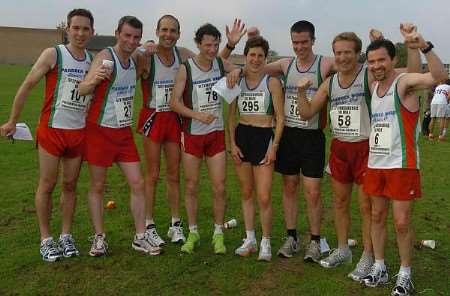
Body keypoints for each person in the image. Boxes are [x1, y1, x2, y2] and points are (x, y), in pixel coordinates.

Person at [296, 25, 420, 280]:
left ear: (358, 54)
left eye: (347, 53)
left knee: (367, 208)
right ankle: (343, 249)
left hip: (367, 148)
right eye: (337, 53)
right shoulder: (330, 83)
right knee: (340, 203)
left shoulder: (369, 75)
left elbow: (404, 76)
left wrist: (388, 42)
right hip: (341, 148)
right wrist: (299, 92)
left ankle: (368, 255)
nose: (342, 58)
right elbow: (307, 113)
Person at [137, 16, 246, 247]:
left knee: (174, 175)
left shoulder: (183, 54)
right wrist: (141, 45)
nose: (168, 34)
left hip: (177, 120)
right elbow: (127, 65)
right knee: (153, 174)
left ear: (179, 33)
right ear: (157, 31)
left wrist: (231, 49)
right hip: (155, 117)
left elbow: (212, 62)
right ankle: (148, 225)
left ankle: (176, 224)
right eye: (164, 30)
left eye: (173, 30)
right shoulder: (146, 56)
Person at [0, 9, 94, 262]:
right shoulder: (54, 54)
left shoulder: (92, 60)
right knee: (48, 184)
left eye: (85, 29)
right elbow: (28, 84)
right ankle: (46, 239)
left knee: (70, 185)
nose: (80, 33)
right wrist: (12, 120)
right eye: (76, 28)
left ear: (92, 32)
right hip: (52, 130)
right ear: (67, 29)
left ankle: (65, 235)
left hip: (78, 133)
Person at [360, 33, 446, 296]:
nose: (376, 66)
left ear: (392, 60)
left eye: (381, 60)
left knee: (401, 222)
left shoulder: (404, 83)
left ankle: (405, 274)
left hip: (402, 164)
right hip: (376, 163)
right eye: (371, 61)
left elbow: (438, 77)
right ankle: (379, 266)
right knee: (376, 216)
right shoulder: (374, 87)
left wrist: (424, 47)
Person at [79, 16, 161, 257]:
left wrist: (148, 44)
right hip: (99, 131)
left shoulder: (135, 57)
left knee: (137, 183)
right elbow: (83, 88)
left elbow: (145, 49)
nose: (131, 41)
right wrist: (93, 81)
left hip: (123, 133)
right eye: (127, 36)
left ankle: (139, 237)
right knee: (97, 186)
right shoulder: (105, 58)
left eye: (136, 37)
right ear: (117, 33)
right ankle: (99, 238)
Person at [262, 20, 334, 261]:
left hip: (312, 136)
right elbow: (256, 67)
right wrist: (233, 68)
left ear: (313, 40)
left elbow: (351, 64)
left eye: (304, 42)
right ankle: (291, 237)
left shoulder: (324, 63)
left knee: (312, 191)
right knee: (289, 186)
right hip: (289, 135)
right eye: (295, 42)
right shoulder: (286, 64)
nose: (300, 47)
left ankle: (314, 240)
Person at [170, 23, 240, 254]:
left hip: (216, 135)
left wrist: (235, 72)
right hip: (192, 134)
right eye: (207, 45)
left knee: (219, 187)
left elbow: (241, 70)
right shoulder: (186, 68)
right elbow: (174, 103)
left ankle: (218, 233)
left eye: (216, 44)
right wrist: (196, 114)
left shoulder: (219, 64)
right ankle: (193, 232)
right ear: (198, 44)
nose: (211, 49)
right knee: (191, 186)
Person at [228, 36, 284, 261]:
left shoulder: (271, 82)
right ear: (245, 56)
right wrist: (232, 143)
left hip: (264, 137)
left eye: (260, 55)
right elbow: (231, 116)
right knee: (246, 192)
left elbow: (280, 118)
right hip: (243, 135)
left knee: (263, 196)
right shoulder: (236, 81)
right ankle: (250, 238)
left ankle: (266, 242)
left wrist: (275, 146)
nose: (256, 59)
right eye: (252, 54)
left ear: (266, 58)